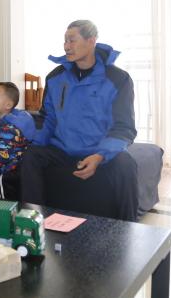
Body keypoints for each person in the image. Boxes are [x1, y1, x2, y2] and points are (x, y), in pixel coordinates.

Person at [20, 20, 139, 221]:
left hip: (98, 150)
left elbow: (124, 127)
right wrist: (31, 143)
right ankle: (31, 222)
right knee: (31, 156)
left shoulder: (118, 79)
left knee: (126, 164)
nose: (66, 46)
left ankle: (128, 227)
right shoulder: (55, 77)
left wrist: (100, 155)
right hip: (62, 150)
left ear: (91, 41)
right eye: (65, 41)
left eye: (72, 40)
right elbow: (47, 119)